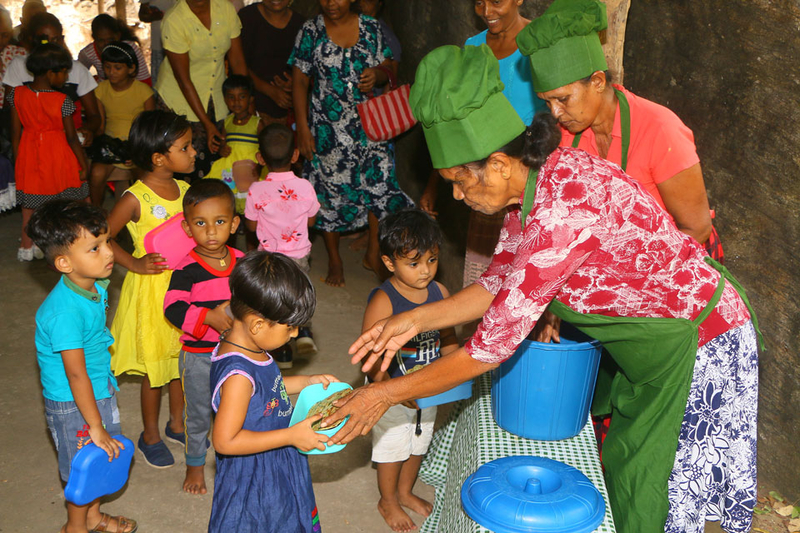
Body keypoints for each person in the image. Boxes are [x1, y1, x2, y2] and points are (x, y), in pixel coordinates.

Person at [330, 45, 761, 533]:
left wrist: (383, 395)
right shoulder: (529, 192)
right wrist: (416, 317)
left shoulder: (562, 214)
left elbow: (487, 351)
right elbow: (499, 282)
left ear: (496, 164)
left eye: (458, 181)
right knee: (631, 469)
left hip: (704, 343)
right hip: (656, 343)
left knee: (670, 488)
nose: (456, 195)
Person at [516, 0, 722, 261]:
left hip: (670, 267)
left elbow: (697, 228)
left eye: (563, 99)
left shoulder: (660, 130)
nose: (554, 113)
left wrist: (633, 275)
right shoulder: (564, 136)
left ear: (598, 82)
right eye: (547, 101)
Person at [27, 200, 137, 533]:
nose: (108, 254)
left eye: (106, 242)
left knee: (102, 458)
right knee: (83, 468)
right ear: (63, 262)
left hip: (98, 387)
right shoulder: (63, 313)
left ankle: (94, 517)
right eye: (94, 248)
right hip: (73, 402)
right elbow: (75, 375)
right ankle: (75, 527)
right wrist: (95, 425)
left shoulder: (96, 284)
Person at [420, 0, 548, 287]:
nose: (488, 12)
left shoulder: (541, 43)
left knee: (535, 273)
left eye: (497, 1)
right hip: (481, 179)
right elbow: (451, 133)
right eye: (479, 3)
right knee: (488, 277)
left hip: (527, 177)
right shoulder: (473, 50)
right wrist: (433, 184)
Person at [209, 251, 338, 532]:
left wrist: (304, 382)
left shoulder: (252, 346)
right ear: (257, 324)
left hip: (275, 452)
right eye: (290, 327)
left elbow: (267, 390)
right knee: (266, 521)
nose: (293, 334)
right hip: (255, 472)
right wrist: (291, 435)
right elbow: (225, 441)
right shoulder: (238, 377)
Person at [290, 0, 413, 287]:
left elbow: (388, 65)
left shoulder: (371, 28)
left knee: (378, 188)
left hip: (370, 127)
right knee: (329, 196)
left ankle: (373, 252)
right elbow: (299, 82)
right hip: (327, 131)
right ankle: (334, 258)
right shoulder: (310, 31)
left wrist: (378, 74)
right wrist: (303, 129)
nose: (332, 2)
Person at [107, 110, 193, 469]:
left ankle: (176, 423)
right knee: (154, 369)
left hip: (184, 290)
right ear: (159, 158)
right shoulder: (135, 197)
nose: (193, 153)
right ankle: (150, 435)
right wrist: (135, 263)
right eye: (186, 147)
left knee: (180, 361)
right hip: (151, 294)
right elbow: (103, 237)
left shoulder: (188, 191)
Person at [364, 209, 458, 533]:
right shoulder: (384, 300)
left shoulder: (439, 293)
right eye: (414, 263)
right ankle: (387, 499)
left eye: (432, 260)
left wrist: (455, 368)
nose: (425, 272)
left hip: (428, 386)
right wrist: (389, 389)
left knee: (420, 441)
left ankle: (405, 490)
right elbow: (371, 356)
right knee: (393, 446)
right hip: (390, 388)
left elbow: (448, 336)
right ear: (390, 263)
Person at [163, 179, 242, 495]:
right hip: (198, 357)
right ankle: (195, 466)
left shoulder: (243, 263)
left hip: (237, 353)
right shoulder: (186, 270)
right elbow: (173, 308)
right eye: (200, 223)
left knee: (238, 410)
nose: (211, 231)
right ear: (187, 228)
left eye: (220, 222)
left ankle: (236, 460)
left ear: (234, 224)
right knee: (197, 415)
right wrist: (208, 316)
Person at [245, 123, 320, 366]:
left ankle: (282, 352)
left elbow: (251, 227)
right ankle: (304, 331)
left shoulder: (256, 190)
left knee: (274, 301)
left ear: (260, 158)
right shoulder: (305, 187)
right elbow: (311, 221)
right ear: (295, 155)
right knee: (297, 294)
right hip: (298, 254)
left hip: (270, 258)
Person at [11, 43, 89, 262]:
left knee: (30, 205)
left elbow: (15, 134)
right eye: (63, 72)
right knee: (66, 203)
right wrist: (83, 164)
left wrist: (19, 162)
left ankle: (28, 246)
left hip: (29, 153)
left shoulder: (16, 95)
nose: (65, 77)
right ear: (50, 73)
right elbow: (72, 138)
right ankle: (66, 245)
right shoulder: (62, 101)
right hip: (58, 155)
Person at [156, 0, 247, 179]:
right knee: (185, 166)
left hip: (217, 97)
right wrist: (207, 123)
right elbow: (183, 80)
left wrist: (247, 102)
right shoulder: (174, 19)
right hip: (179, 101)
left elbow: (237, 61)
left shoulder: (225, 9)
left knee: (218, 167)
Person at [3, 12, 102, 149]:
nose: (50, 46)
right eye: (44, 40)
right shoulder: (19, 66)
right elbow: (9, 113)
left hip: (68, 143)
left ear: (62, 40)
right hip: (31, 143)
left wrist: (86, 130)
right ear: (32, 40)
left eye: (55, 40)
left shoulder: (77, 70)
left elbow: (94, 116)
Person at [89, 42, 155, 206]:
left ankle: (146, 213)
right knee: (96, 174)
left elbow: (149, 128)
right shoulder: (100, 89)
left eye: (117, 68)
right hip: (111, 146)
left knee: (145, 177)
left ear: (131, 69)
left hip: (136, 145)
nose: (112, 72)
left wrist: (136, 152)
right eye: (108, 67)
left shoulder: (143, 92)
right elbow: (101, 125)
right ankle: (95, 215)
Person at [206, 75, 267, 213]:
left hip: (249, 170)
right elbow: (224, 144)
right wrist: (222, 150)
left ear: (251, 98)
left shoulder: (256, 123)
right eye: (231, 97)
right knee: (230, 201)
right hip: (231, 170)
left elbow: (265, 148)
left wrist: (259, 167)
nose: (236, 102)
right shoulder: (227, 122)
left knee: (251, 205)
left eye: (242, 97)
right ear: (225, 99)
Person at [237, 0, 304, 124]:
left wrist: (294, 83)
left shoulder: (301, 24)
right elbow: (237, 65)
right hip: (249, 106)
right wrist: (269, 91)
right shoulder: (247, 17)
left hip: (287, 112)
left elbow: (305, 70)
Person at [78, 14, 151, 86]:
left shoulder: (130, 48)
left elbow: (144, 79)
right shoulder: (87, 53)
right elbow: (78, 74)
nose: (106, 44)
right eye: (101, 40)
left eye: (110, 39)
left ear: (118, 36)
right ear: (94, 38)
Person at [137, 0, 175, 86]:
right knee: (161, 83)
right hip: (160, 46)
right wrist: (158, 15)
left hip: (187, 43)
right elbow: (143, 15)